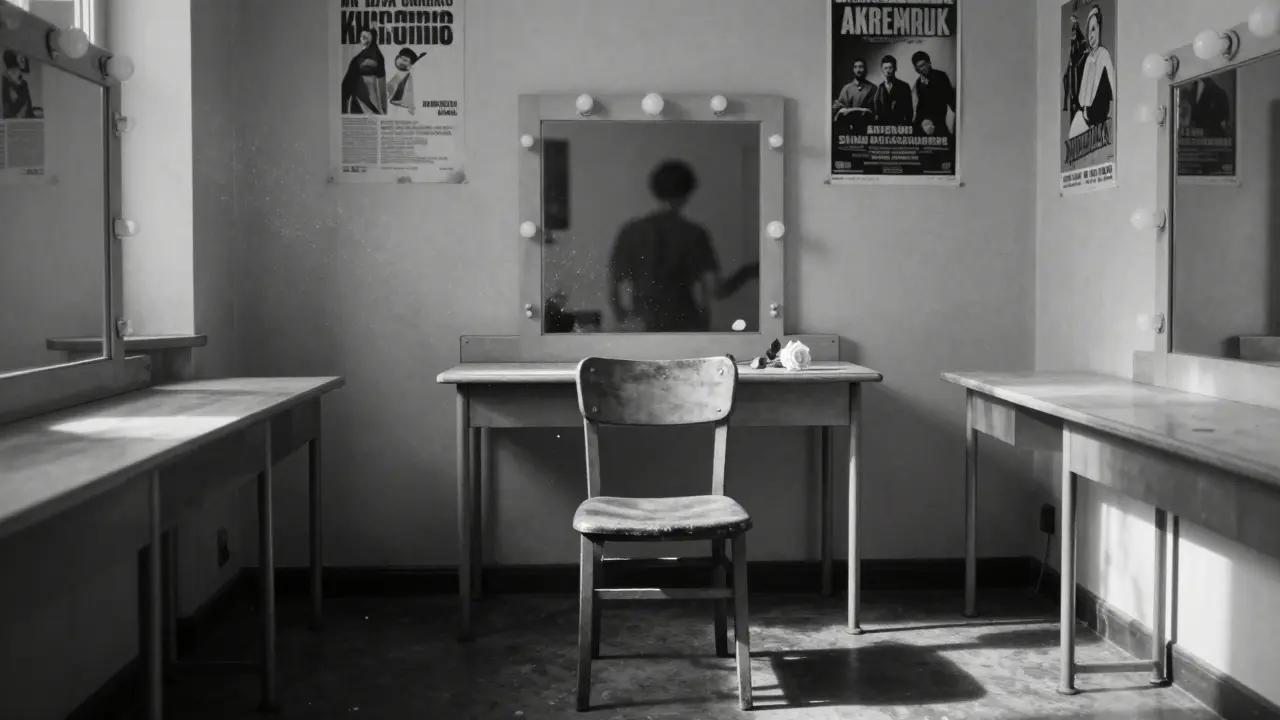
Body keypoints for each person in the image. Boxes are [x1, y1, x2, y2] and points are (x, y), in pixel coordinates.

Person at [608, 160, 722, 332]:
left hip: (643, 320)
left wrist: (622, 316)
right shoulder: (694, 233)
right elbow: (712, 286)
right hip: (684, 321)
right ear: (687, 194)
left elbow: (616, 283)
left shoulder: (631, 231)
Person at [1067, 5, 1113, 138]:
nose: (1091, 36)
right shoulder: (1087, 60)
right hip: (1084, 118)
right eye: (1088, 31)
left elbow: (1113, 91)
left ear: (1100, 29)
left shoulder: (1104, 56)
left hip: (1097, 120)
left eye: (1094, 29)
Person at [340, 28, 386, 114]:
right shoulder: (360, 57)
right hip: (358, 94)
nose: (362, 38)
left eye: (365, 36)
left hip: (366, 94)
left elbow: (381, 81)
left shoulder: (375, 55)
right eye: (361, 36)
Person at [911, 50, 955, 136]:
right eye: (919, 67)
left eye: (923, 65)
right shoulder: (918, 82)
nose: (922, 69)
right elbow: (920, 106)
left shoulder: (941, 76)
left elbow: (949, 98)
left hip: (938, 121)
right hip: (923, 123)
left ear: (929, 63)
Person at [832, 58, 876, 135]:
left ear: (865, 69)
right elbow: (839, 110)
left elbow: (875, 111)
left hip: (866, 129)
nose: (858, 70)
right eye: (856, 67)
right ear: (853, 70)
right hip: (849, 130)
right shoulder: (846, 88)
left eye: (861, 67)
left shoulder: (873, 88)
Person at [873, 55, 913, 126]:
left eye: (890, 68)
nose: (888, 71)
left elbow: (909, 110)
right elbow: (877, 111)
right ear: (882, 70)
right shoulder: (880, 88)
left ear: (895, 68)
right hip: (884, 127)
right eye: (885, 68)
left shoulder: (904, 86)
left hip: (901, 126)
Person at [388, 48, 424, 118]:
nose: (401, 61)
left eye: (405, 60)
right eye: (401, 58)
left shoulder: (410, 74)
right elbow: (391, 85)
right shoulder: (400, 72)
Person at [2, 50, 36, 120]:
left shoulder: (24, 85)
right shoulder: (4, 84)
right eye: (14, 71)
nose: (19, 73)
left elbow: (29, 111)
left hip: (26, 122)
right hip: (12, 121)